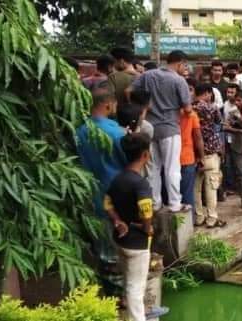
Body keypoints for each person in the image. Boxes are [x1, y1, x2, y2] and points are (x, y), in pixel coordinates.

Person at [104, 133, 166, 321]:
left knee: (127, 280)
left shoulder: (118, 179)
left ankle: (131, 308)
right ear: (145, 155)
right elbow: (146, 211)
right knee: (135, 287)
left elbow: (107, 203)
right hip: (137, 243)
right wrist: (147, 228)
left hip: (120, 238)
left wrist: (117, 221)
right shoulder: (140, 183)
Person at [76, 87, 125, 297]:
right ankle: (119, 296)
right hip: (115, 194)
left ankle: (109, 292)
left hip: (90, 193)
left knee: (102, 248)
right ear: (108, 105)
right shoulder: (116, 132)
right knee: (117, 249)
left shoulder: (79, 131)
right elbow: (127, 162)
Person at [129, 50, 191, 213]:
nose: (185, 68)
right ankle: (175, 203)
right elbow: (188, 109)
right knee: (172, 168)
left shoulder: (147, 75)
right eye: (184, 65)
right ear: (179, 63)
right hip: (170, 128)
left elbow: (128, 92)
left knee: (152, 168)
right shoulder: (179, 80)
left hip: (149, 127)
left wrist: (139, 109)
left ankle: (155, 203)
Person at [193, 84, 225, 227]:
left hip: (194, 153)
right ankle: (212, 218)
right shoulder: (212, 108)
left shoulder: (189, 108)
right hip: (211, 152)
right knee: (211, 187)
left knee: (196, 188)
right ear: (207, 93)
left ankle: (199, 216)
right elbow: (219, 122)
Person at [179, 98, 204, 213]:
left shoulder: (169, 116)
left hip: (170, 159)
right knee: (188, 192)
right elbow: (198, 138)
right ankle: (190, 222)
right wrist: (202, 157)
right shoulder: (192, 115)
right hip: (187, 157)